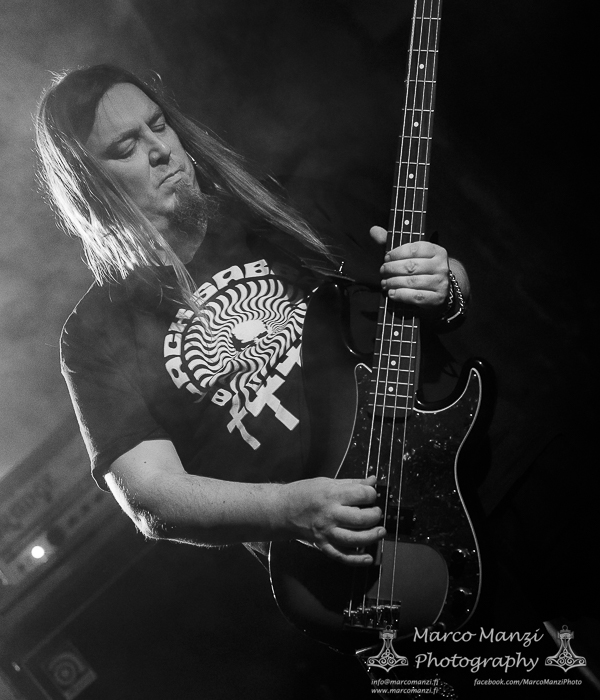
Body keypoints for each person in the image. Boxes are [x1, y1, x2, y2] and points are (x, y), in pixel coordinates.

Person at [35, 64, 469, 568]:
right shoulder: (94, 332)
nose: (161, 149)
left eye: (158, 124)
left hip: (453, 471)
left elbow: (442, 280)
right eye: (126, 147)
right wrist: (288, 510)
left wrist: (445, 286)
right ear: (88, 186)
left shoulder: (279, 203)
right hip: (343, 568)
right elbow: (150, 495)